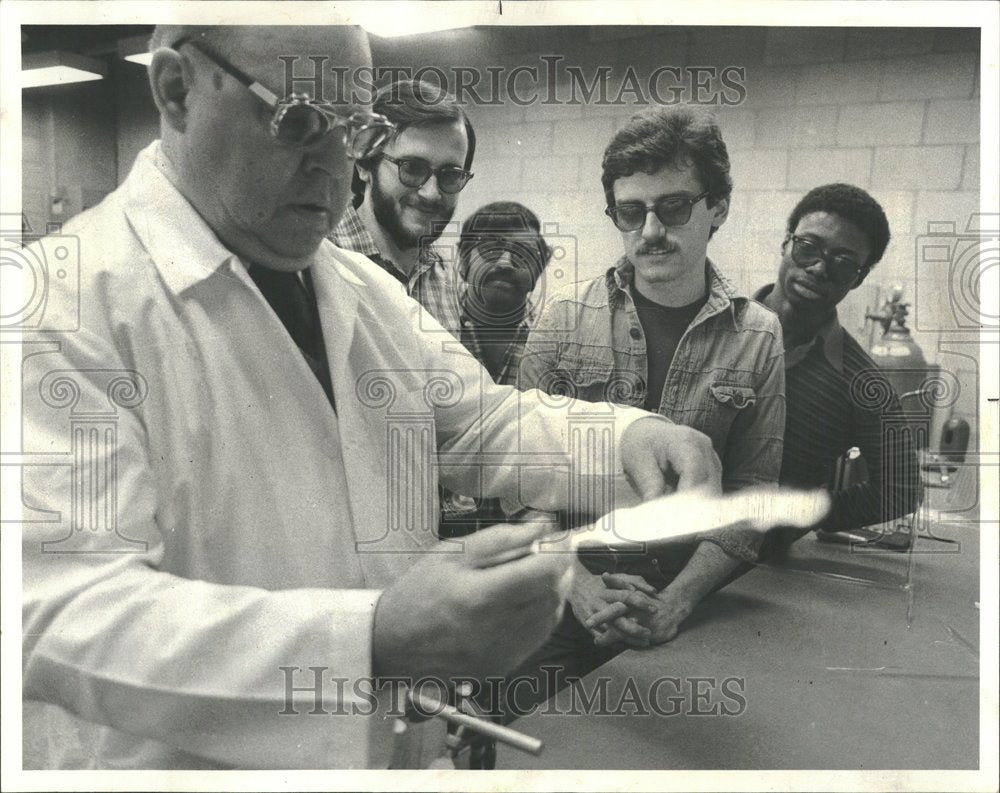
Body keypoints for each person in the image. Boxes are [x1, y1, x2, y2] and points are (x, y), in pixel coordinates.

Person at [19, 25, 721, 770]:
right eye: (298, 121)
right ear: (175, 89)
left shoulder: (358, 289)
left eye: (355, 130)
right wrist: (371, 639)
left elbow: (481, 420)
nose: (335, 168)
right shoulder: (62, 304)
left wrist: (629, 439)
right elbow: (58, 610)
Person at [516, 105, 785, 662]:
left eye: (674, 207)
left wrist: (677, 603)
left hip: (684, 602)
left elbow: (752, 493)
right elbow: (518, 480)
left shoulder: (757, 334)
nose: (652, 232)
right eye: (631, 212)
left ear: (718, 208)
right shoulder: (562, 320)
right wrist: (579, 585)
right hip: (559, 596)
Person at [754, 183, 920, 554]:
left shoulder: (861, 382)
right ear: (786, 243)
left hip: (755, 573)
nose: (818, 268)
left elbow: (902, 490)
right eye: (807, 247)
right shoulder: (711, 326)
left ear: (858, 278)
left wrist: (800, 516)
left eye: (844, 263)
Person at [439, 202, 553, 538]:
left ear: (539, 268)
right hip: (429, 538)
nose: (505, 262)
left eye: (522, 253)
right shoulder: (427, 324)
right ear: (462, 259)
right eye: (490, 248)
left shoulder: (560, 342)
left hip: (521, 541)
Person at [330, 78, 475, 337]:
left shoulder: (446, 278)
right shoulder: (318, 256)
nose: (431, 193)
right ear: (364, 164)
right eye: (412, 168)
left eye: (450, 174)